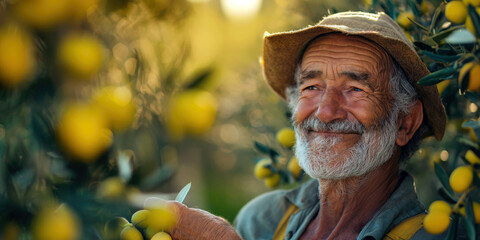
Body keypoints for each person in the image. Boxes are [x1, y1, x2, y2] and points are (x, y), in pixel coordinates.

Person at [167, 11, 455, 240]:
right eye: (312, 86)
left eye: (355, 89)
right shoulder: (261, 221)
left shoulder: (439, 235)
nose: (326, 112)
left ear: (405, 122)